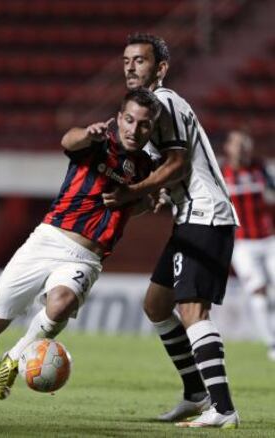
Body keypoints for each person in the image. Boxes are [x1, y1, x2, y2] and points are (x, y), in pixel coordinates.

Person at [0, 87, 161, 411]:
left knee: (61, 303)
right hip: (47, 239)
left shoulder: (147, 166)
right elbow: (69, 141)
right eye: (130, 120)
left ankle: (16, 355)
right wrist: (87, 133)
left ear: (152, 127)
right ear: (119, 118)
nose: (135, 129)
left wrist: (146, 202)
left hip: (87, 256)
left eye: (144, 125)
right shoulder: (97, 143)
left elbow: (133, 207)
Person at [102, 33, 240, 428]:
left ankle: (224, 408)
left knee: (193, 309)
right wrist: (153, 194)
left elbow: (178, 163)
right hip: (189, 215)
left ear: (160, 68)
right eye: (126, 59)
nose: (130, 66)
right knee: (156, 305)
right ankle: (196, 392)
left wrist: (135, 191)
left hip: (205, 215)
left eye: (140, 60)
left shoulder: (165, 101)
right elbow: (170, 172)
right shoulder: (148, 112)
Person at [222, 130, 275, 359]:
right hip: (242, 244)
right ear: (228, 147)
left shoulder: (262, 168)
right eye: (237, 144)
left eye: (245, 144)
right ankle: (272, 344)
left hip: (269, 238)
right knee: (259, 292)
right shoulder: (220, 172)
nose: (242, 148)